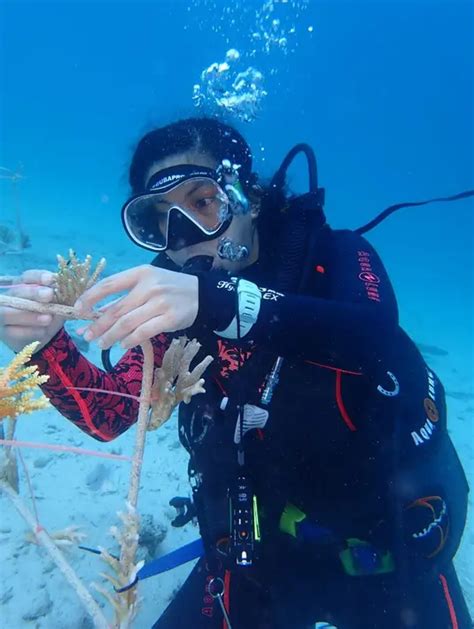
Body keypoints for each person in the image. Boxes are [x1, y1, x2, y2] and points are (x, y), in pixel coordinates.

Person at [0, 117, 471, 629]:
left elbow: (373, 335)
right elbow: (111, 415)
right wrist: (44, 346)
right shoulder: (174, 307)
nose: (182, 239)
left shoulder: (334, 257)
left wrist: (222, 303)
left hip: (391, 561)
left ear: (249, 198)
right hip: (253, 560)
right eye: (159, 219)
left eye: (203, 203)